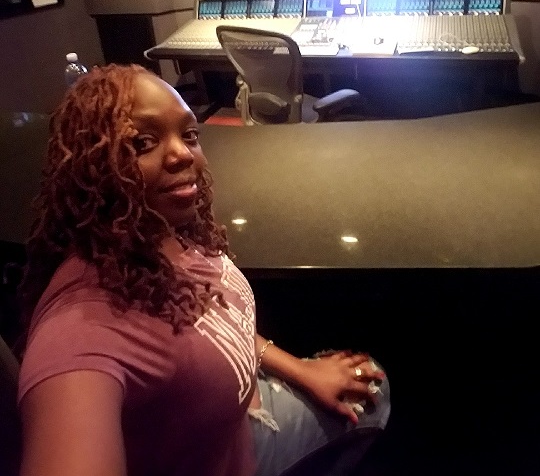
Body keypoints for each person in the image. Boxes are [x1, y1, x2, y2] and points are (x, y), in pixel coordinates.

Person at [17, 64, 390, 476]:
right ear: (92, 165)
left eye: (189, 135)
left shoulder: (166, 230)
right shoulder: (80, 330)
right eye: (142, 142)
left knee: (369, 383)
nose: (182, 153)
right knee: (377, 394)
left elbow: (214, 322)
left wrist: (300, 370)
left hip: (234, 426)